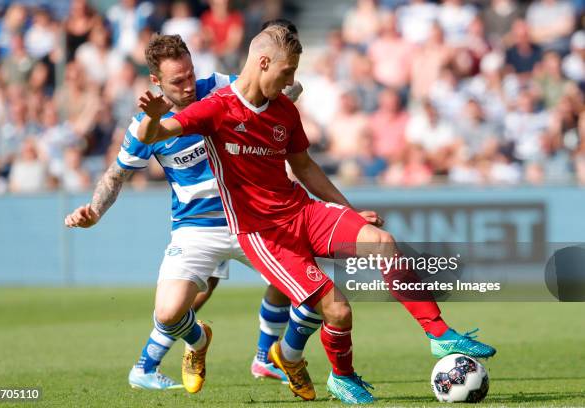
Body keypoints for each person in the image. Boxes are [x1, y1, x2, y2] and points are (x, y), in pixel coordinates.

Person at [136, 25, 496, 404]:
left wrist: (350, 210)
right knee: (338, 310)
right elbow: (153, 135)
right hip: (263, 234)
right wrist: (151, 117)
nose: (292, 80)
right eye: (287, 71)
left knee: (383, 243)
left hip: (302, 212)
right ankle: (341, 377)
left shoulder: (284, 111)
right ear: (262, 63)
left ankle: (438, 334)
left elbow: (305, 167)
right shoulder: (216, 107)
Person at [64, 23, 313, 393]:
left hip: (251, 216)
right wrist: (94, 213)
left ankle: (274, 355)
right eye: (178, 79)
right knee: (178, 306)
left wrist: (282, 97)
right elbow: (116, 176)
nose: (188, 85)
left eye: (191, 74)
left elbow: (269, 88)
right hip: (196, 227)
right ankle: (194, 345)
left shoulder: (220, 87)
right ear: (156, 81)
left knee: (304, 287)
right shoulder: (146, 127)